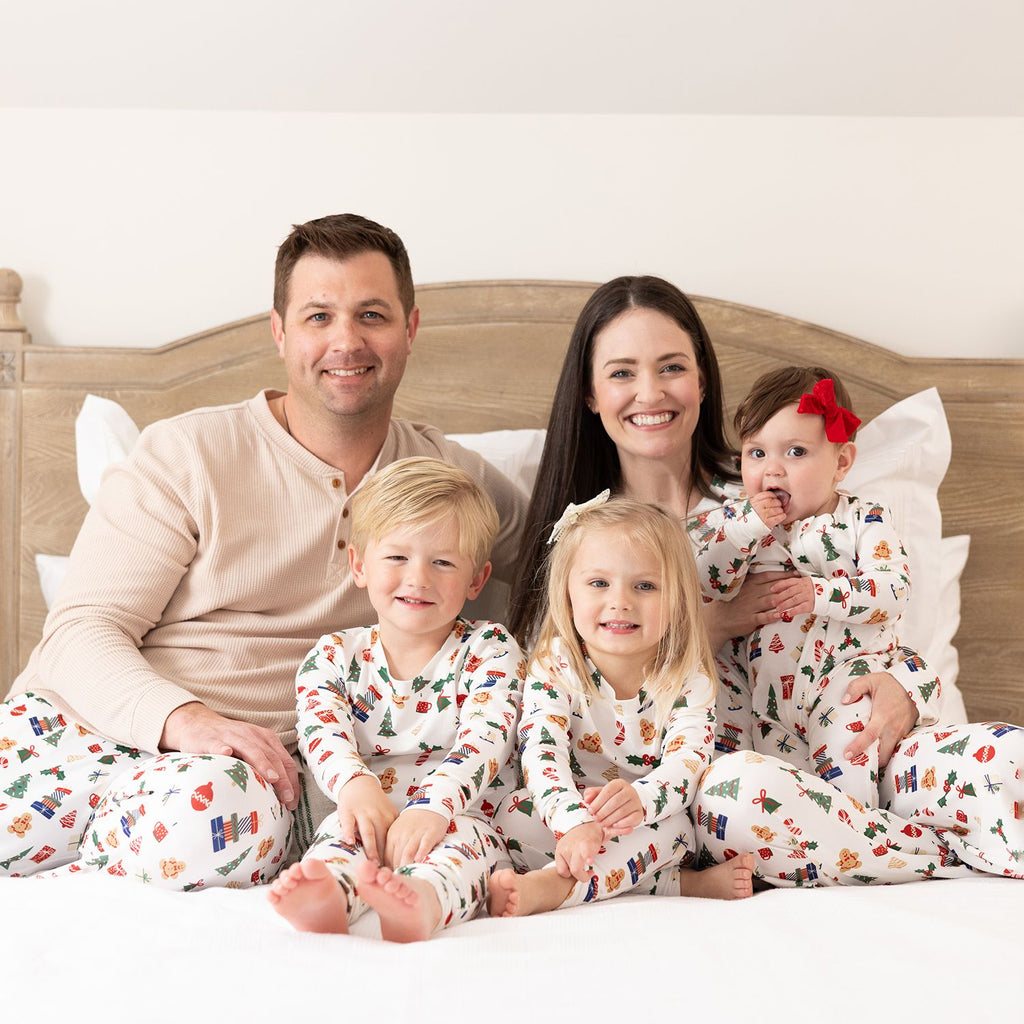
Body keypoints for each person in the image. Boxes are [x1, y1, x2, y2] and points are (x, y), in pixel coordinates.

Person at [1, 214, 527, 888]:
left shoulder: (448, 483)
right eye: (318, 317)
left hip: (235, 782)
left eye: (372, 315)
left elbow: (576, 569)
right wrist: (183, 719)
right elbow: (80, 631)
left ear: (410, 329)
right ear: (280, 331)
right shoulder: (187, 453)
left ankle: (84, 864)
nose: (346, 341)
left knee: (209, 820)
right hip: (79, 728)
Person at [506, 275, 935, 767]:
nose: (650, 393)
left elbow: (881, 625)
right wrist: (711, 625)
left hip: (810, 755)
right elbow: (553, 697)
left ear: (703, 380)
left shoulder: (776, 497)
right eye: (622, 373)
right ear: (590, 393)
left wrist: (909, 691)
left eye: (671, 367)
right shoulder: (583, 533)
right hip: (658, 784)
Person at [268, 458, 526, 940]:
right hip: (369, 810)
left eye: (443, 562)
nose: (418, 578)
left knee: (463, 854)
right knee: (338, 840)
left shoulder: (490, 650)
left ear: (476, 580)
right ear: (359, 565)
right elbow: (321, 733)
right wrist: (355, 787)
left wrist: (434, 807)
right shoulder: (333, 655)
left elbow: (486, 740)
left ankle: (422, 901)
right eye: (397, 558)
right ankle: (330, 896)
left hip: (459, 816)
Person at [489, 497, 754, 918]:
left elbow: (686, 764)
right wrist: (572, 820)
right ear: (568, 594)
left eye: (645, 586)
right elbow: (541, 752)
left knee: (673, 829)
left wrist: (641, 799)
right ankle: (675, 885)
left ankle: (557, 888)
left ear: (678, 599)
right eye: (599, 583)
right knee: (510, 815)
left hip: (649, 816)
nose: (620, 602)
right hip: (573, 812)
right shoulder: (555, 663)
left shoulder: (689, 676)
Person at [689, 365, 933, 806]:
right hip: (765, 703)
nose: (772, 470)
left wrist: (821, 594)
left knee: (848, 770)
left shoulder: (864, 519)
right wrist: (744, 529)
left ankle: (865, 830)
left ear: (841, 463)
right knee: (776, 795)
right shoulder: (738, 524)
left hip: (844, 683)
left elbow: (893, 589)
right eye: (756, 453)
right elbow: (707, 582)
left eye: (796, 452)